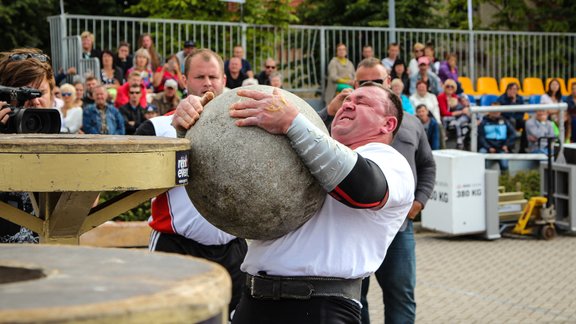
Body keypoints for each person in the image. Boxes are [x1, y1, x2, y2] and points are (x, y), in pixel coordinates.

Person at [172, 57, 414, 322]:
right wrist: (190, 129)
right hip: (254, 300)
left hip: (321, 306)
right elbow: (215, 170)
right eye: (347, 100)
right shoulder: (305, 148)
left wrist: (292, 122)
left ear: (388, 124)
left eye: (363, 101)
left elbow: (364, 190)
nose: (349, 103)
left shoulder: (390, 161)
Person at [136, 49, 247, 319]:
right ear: (185, 80)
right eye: (199, 77)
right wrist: (177, 134)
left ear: (224, 80)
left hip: (233, 248)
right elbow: (130, 183)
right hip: (177, 247)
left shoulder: (246, 126)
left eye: (213, 76)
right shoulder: (157, 127)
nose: (208, 83)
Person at [0, 48, 56, 243]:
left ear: (52, 94)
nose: (34, 102)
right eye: (23, 95)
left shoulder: (65, 143)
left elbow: (90, 202)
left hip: (48, 261)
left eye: (39, 93)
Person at [438, 79, 470, 149]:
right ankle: (458, 140)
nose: (450, 88)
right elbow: (444, 113)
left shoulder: (455, 96)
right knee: (453, 121)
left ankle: (463, 142)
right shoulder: (441, 97)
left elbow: (463, 107)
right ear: (444, 87)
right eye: (448, 86)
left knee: (464, 120)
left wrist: (465, 107)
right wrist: (461, 112)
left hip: (457, 117)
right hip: (446, 117)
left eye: (452, 87)